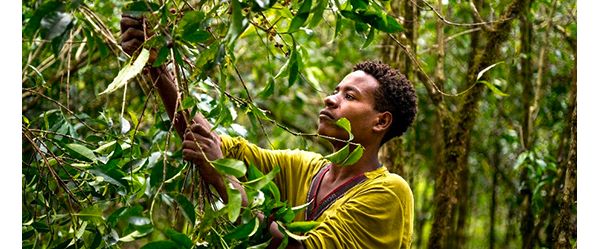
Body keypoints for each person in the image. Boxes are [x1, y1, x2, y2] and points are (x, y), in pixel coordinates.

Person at [121, 14, 417, 249]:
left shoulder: (389, 193)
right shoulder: (304, 168)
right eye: (335, 91)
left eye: (349, 96)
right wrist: (158, 66)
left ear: (381, 122)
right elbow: (208, 145)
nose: (330, 99)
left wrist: (221, 177)